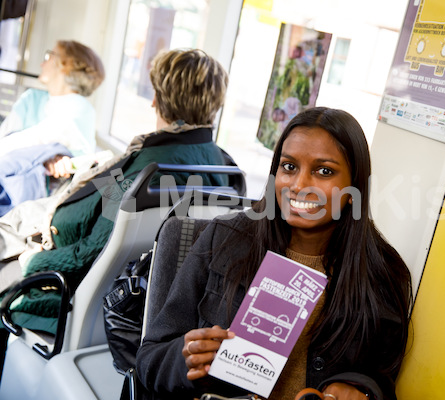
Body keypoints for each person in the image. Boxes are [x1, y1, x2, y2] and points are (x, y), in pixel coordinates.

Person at [136, 107, 413, 400]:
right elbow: (148, 360)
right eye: (289, 167)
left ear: (355, 185)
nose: (299, 185)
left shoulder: (382, 272)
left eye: (324, 171)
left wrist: (359, 391)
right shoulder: (224, 239)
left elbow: (382, 378)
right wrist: (186, 360)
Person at [0, 48, 231, 333]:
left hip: (57, 267)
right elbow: (113, 193)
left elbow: (85, 255)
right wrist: (102, 171)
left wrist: (31, 262)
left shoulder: (146, 171)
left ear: (158, 100)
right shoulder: (218, 163)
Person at [0, 40, 105, 216]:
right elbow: (5, 139)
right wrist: (44, 155)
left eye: (50, 56)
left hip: (36, 200)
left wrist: (50, 156)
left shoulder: (81, 109)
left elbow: (80, 156)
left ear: (66, 65)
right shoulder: (31, 98)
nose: (43, 62)